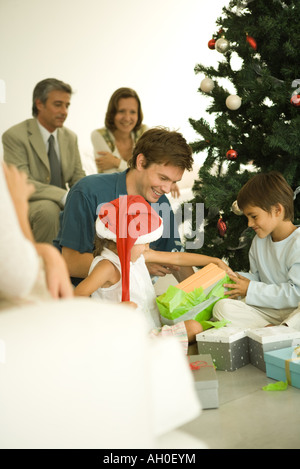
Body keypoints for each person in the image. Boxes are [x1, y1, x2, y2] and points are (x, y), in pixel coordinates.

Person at [74, 195, 230, 352]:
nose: (148, 247)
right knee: (194, 328)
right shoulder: (107, 267)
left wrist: (214, 260)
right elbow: (74, 298)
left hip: (151, 329)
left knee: (197, 319)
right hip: (129, 339)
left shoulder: (138, 255)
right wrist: (114, 312)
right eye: (145, 242)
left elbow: (176, 257)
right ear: (126, 241)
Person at [55, 127, 194, 286]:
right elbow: (71, 263)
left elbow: (175, 256)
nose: (167, 189)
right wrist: (136, 265)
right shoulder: (88, 191)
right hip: (86, 295)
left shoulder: (160, 202)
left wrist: (205, 297)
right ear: (141, 162)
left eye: (174, 182)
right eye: (163, 178)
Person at [2, 78, 86, 244]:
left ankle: (79, 266)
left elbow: (78, 177)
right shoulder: (14, 136)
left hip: (62, 202)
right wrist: (63, 196)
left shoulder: (70, 137)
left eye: (67, 105)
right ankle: (43, 267)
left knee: (90, 207)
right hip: (30, 202)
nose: (64, 111)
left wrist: (89, 197)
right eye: (58, 104)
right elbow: (22, 182)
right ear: (39, 104)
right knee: (48, 210)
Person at [213, 171, 300, 330]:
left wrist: (250, 289)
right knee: (222, 308)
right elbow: (258, 278)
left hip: (295, 311)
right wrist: (236, 278)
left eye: (254, 216)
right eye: (247, 218)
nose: (249, 223)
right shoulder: (259, 242)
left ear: (277, 210)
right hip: (269, 309)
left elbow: (295, 294)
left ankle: (282, 331)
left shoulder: (298, 242)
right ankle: (274, 330)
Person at [0, 162, 73, 310]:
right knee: (48, 210)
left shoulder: (69, 138)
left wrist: (45, 252)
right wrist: (19, 206)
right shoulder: (13, 139)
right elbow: (19, 277)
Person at [91, 87, 147, 174]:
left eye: (132, 112)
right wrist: (138, 169)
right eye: (121, 111)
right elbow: (111, 176)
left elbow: (150, 171)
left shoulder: (144, 132)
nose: (127, 118)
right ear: (112, 113)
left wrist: (117, 163)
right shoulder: (99, 135)